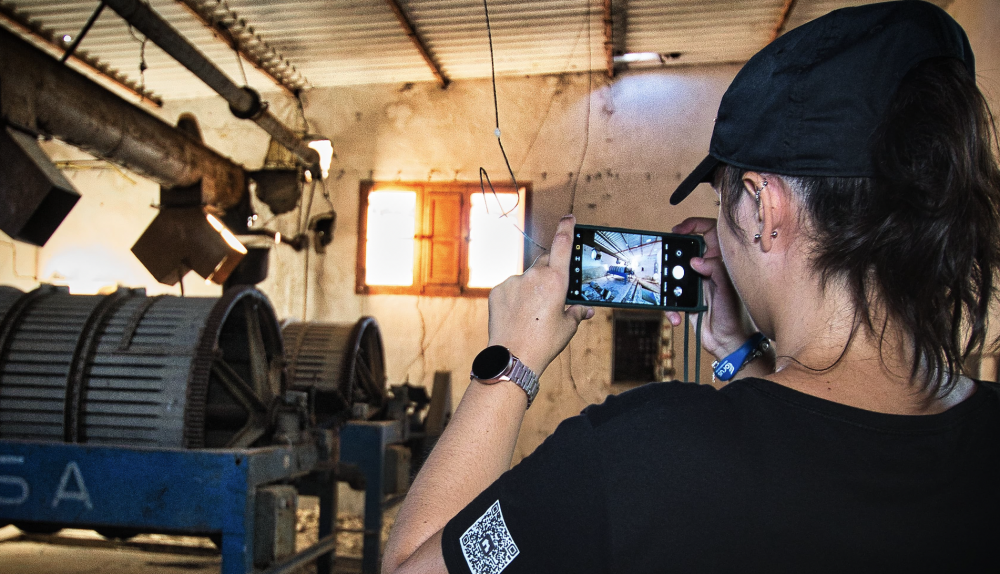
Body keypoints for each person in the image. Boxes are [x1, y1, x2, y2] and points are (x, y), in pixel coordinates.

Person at [383, 1, 1000, 572]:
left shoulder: (639, 455)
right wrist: (741, 351)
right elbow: (828, 454)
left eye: (724, 194)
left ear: (764, 209)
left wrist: (510, 364)